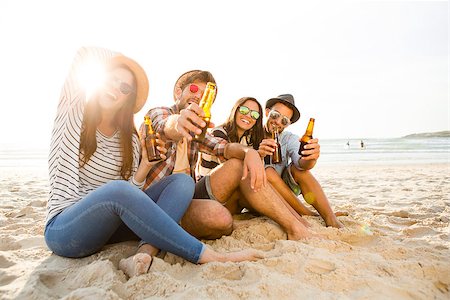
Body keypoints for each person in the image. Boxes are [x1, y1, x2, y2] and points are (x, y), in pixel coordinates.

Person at [44, 47, 262, 279]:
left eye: (124, 87)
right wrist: (128, 68)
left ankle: (145, 251)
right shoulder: (73, 118)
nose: (115, 88)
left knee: (182, 182)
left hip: (110, 229)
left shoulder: (128, 139)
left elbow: (130, 190)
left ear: (128, 98)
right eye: (110, 80)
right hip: (66, 228)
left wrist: (145, 166)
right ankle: (207, 255)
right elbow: (84, 55)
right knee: (118, 190)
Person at [141, 72, 314, 240]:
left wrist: (249, 152)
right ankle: (299, 220)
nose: (199, 97)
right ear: (178, 91)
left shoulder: (201, 132)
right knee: (221, 213)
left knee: (230, 196)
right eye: (194, 89)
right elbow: (165, 124)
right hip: (156, 201)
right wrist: (178, 123)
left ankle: (297, 226)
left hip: (189, 197)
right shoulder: (159, 113)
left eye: (205, 95)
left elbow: (220, 147)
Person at [258, 94, 344, 228]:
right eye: (275, 115)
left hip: (284, 194)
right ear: (268, 112)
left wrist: (311, 158)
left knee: (300, 171)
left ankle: (330, 217)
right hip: (258, 194)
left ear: (288, 124)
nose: (278, 122)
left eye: (284, 120)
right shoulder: (252, 133)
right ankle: (309, 213)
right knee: (268, 172)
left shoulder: (288, 138)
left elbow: (302, 163)